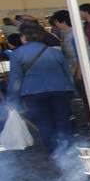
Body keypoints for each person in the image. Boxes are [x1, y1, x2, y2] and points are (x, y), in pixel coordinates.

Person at [6, 22, 75, 156]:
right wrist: (71, 91)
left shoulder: (17, 54)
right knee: (62, 120)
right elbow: (67, 73)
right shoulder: (54, 52)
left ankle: (54, 151)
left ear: (23, 37)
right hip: (60, 89)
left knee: (44, 123)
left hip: (33, 93)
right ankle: (67, 149)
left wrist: (12, 100)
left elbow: (15, 79)